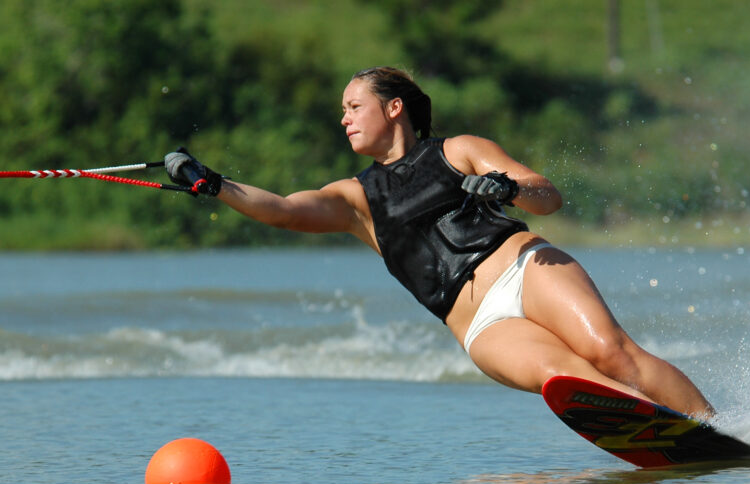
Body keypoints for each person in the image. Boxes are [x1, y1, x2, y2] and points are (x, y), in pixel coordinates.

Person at [165, 66, 715, 417]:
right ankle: (663, 433)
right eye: (343, 111)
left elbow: (547, 196)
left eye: (354, 106)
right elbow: (283, 211)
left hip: (526, 267)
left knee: (611, 354)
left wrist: (507, 187)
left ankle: (717, 428)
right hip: (478, 324)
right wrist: (214, 185)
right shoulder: (356, 200)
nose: (344, 119)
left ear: (394, 107)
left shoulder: (460, 149)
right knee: (567, 379)